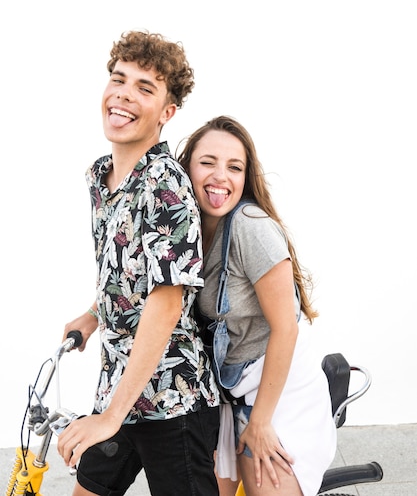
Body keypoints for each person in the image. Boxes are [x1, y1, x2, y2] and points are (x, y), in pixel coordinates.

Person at [57, 31, 221, 496]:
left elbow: (166, 303)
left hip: (171, 397)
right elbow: (129, 267)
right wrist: (94, 313)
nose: (125, 95)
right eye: (119, 80)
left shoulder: (165, 187)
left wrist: (108, 418)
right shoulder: (100, 178)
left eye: (146, 88)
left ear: (167, 113)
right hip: (122, 385)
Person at [178, 115, 337, 496]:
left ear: (246, 178)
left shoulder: (251, 227)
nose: (221, 176)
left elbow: (287, 328)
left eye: (235, 167)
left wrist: (262, 422)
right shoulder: (186, 226)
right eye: (207, 162)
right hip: (231, 392)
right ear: (186, 168)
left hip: (278, 393)